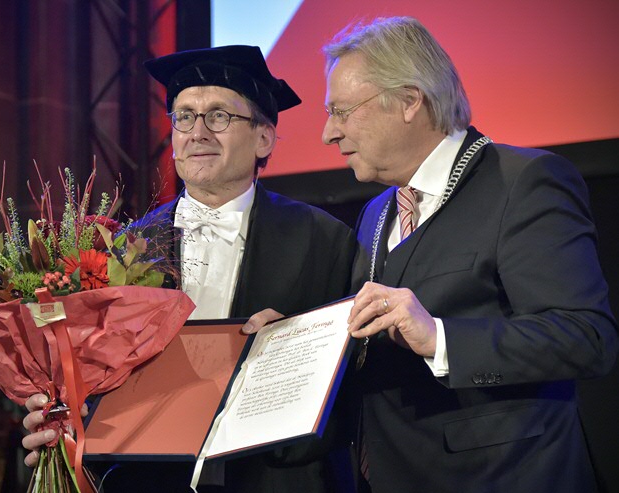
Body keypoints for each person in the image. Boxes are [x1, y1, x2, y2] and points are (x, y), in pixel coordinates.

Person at [246, 15, 618, 493]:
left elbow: (586, 337)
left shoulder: (524, 183)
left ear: (409, 101)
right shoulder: (377, 212)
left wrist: (439, 338)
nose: (328, 133)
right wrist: (295, 341)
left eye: (341, 111)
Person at [21, 45, 357, 492]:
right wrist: (61, 413)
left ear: (263, 139)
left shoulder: (325, 240)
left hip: (277, 477)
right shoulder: (121, 249)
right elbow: (89, 374)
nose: (198, 132)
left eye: (219, 116)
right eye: (184, 117)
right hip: (148, 480)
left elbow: (355, 379)